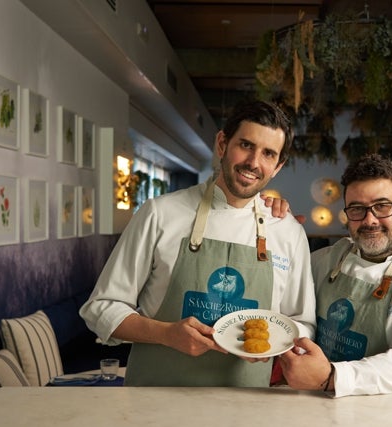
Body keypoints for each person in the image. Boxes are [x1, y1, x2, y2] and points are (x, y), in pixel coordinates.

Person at [80, 100, 316, 387]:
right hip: (155, 401)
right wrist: (165, 334)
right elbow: (102, 307)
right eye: (245, 145)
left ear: (278, 166)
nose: (254, 163)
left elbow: (301, 323)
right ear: (222, 144)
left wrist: (275, 344)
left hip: (248, 406)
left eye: (268, 154)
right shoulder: (159, 213)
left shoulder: (288, 231)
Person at [275, 153, 392, 397]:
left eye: (382, 206)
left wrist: (331, 377)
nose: (370, 220)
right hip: (324, 408)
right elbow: (282, 290)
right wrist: (278, 232)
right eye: (357, 209)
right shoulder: (329, 259)